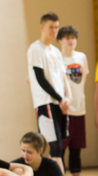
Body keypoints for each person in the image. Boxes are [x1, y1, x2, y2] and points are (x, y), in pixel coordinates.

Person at [57, 25, 98, 176]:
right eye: (67, 38)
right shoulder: (56, 58)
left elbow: (82, 81)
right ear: (60, 40)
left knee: (76, 149)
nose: (71, 41)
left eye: (73, 38)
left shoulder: (81, 57)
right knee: (61, 150)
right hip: (64, 110)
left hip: (80, 109)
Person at [27, 13, 72, 162]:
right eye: (51, 27)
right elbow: (41, 79)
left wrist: (67, 98)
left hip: (60, 103)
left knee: (61, 146)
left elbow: (63, 78)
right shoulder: (36, 48)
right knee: (54, 145)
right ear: (42, 27)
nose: (54, 30)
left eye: (56, 27)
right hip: (46, 102)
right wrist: (60, 98)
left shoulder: (56, 52)